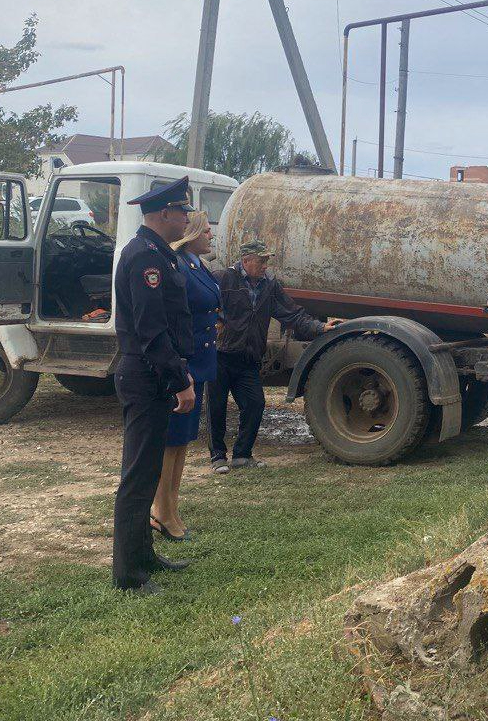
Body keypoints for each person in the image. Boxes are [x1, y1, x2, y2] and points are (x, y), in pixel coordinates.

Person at [111, 176, 196, 595]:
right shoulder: (146, 258)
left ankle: (144, 557)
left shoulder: (156, 253)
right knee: (139, 476)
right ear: (165, 214)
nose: (187, 219)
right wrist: (179, 380)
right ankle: (129, 576)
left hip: (152, 373)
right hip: (146, 374)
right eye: (183, 212)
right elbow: (151, 330)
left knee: (147, 473)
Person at [208, 239, 335, 471]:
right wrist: (215, 322)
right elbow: (205, 305)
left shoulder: (269, 285)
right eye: (261, 260)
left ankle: (242, 456)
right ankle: (217, 457)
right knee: (216, 406)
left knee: (255, 404)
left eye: (267, 260)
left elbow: (293, 315)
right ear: (245, 261)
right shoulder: (224, 278)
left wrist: (319, 327)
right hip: (221, 354)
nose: (265, 265)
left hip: (249, 357)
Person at [151, 210, 221, 541]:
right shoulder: (178, 264)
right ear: (191, 233)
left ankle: (170, 507)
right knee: (171, 441)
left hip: (200, 362)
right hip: (185, 364)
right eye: (206, 231)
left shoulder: (196, 264)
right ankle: (161, 510)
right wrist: (180, 368)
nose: (211, 236)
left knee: (182, 442)